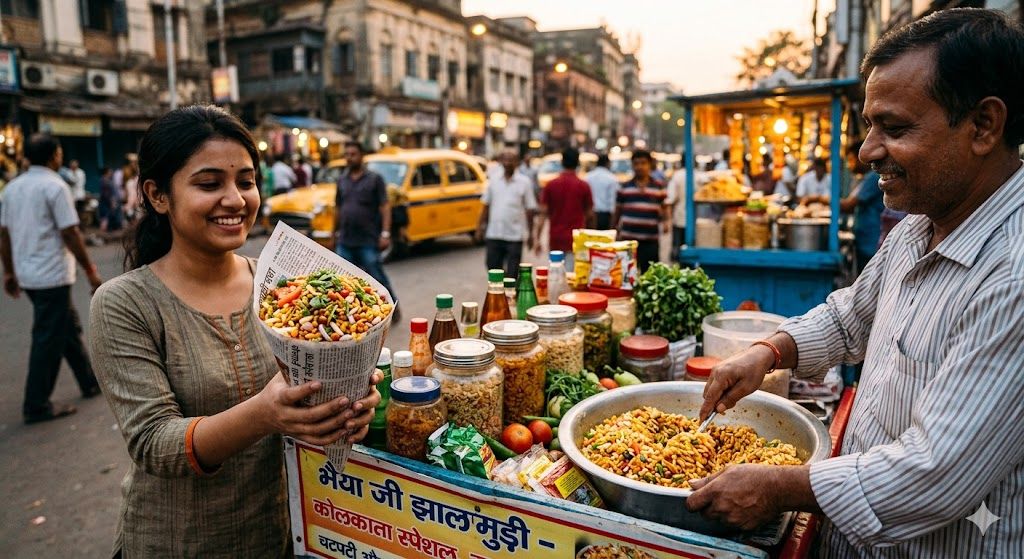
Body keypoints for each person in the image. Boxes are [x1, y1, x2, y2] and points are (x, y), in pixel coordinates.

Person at [690, 9, 1024, 557]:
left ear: (983, 126)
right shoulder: (921, 225)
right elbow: (852, 316)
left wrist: (781, 487)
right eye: (869, 126)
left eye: (894, 128)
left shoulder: (1012, 274)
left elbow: (935, 472)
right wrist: (770, 350)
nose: (868, 151)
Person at [89, 105, 380, 556]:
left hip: (281, 535)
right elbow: (153, 442)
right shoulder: (125, 302)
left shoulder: (280, 286)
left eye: (245, 182)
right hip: (178, 543)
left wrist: (349, 404)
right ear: (158, 195)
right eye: (209, 184)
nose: (236, 199)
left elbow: (307, 399)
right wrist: (263, 415)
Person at [0, 133, 104, 424]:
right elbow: (70, 232)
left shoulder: (13, 188)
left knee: (65, 327)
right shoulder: (55, 186)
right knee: (48, 337)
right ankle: (36, 404)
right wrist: (90, 269)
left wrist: (9, 270)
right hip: (52, 274)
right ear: (54, 156)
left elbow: (4, 234)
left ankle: (89, 382)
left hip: (29, 274)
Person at [335, 141, 397, 304]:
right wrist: (334, 232)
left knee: (376, 277)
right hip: (345, 240)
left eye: (353, 154)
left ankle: (392, 306)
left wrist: (385, 233)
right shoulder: (342, 180)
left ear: (362, 156)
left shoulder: (375, 179)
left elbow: (385, 207)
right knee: (342, 281)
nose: (349, 158)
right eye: (347, 155)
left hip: (367, 239)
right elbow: (338, 207)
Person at [476, 148, 537, 278]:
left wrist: (531, 234)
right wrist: (480, 227)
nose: (508, 163)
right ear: (501, 161)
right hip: (495, 233)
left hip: (514, 236)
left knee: (513, 272)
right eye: (505, 159)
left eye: (511, 160)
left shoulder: (524, 182)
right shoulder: (493, 180)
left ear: (517, 162)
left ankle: (510, 294)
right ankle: (501, 291)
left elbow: (530, 209)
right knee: (492, 267)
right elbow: (486, 205)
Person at [535, 147, 594, 264]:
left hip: (556, 238)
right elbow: (590, 215)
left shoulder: (551, 185)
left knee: (556, 275)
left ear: (562, 162)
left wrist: (537, 239)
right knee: (572, 278)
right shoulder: (583, 186)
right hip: (577, 239)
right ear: (577, 163)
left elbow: (542, 214)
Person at [614, 149, 669, 273]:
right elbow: (617, 210)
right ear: (632, 165)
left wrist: (666, 222)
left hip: (650, 241)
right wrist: (614, 229)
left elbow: (664, 207)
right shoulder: (624, 187)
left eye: (643, 163)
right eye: (636, 163)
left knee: (650, 277)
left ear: (650, 165)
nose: (640, 167)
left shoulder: (659, 186)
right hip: (628, 241)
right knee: (626, 276)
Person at [839, 141, 884, 273]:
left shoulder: (873, 178)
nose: (849, 164)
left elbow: (849, 205)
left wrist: (820, 199)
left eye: (852, 159)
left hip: (872, 242)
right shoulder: (865, 179)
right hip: (866, 240)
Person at [664, 151, 690, 257]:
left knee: (679, 252)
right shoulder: (699, 175)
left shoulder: (677, 176)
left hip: (679, 219)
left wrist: (667, 220)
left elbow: (670, 199)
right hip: (695, 222)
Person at [586, 154, 619, 230]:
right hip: (605, 217)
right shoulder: (612, 178)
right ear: (607, 163)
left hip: (590, 215)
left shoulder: (587, 177)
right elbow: (612, 202)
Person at [98, 166, 124, 233]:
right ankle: (102, 234)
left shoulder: (107, 180)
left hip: (108, 202)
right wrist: (112, 201)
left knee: (108, 218)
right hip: (106, 203)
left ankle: (106, 233)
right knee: (105, 218)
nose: (111, 172)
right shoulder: (104, 180)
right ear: (106, 172)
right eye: (110, 171)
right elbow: (106, 194)